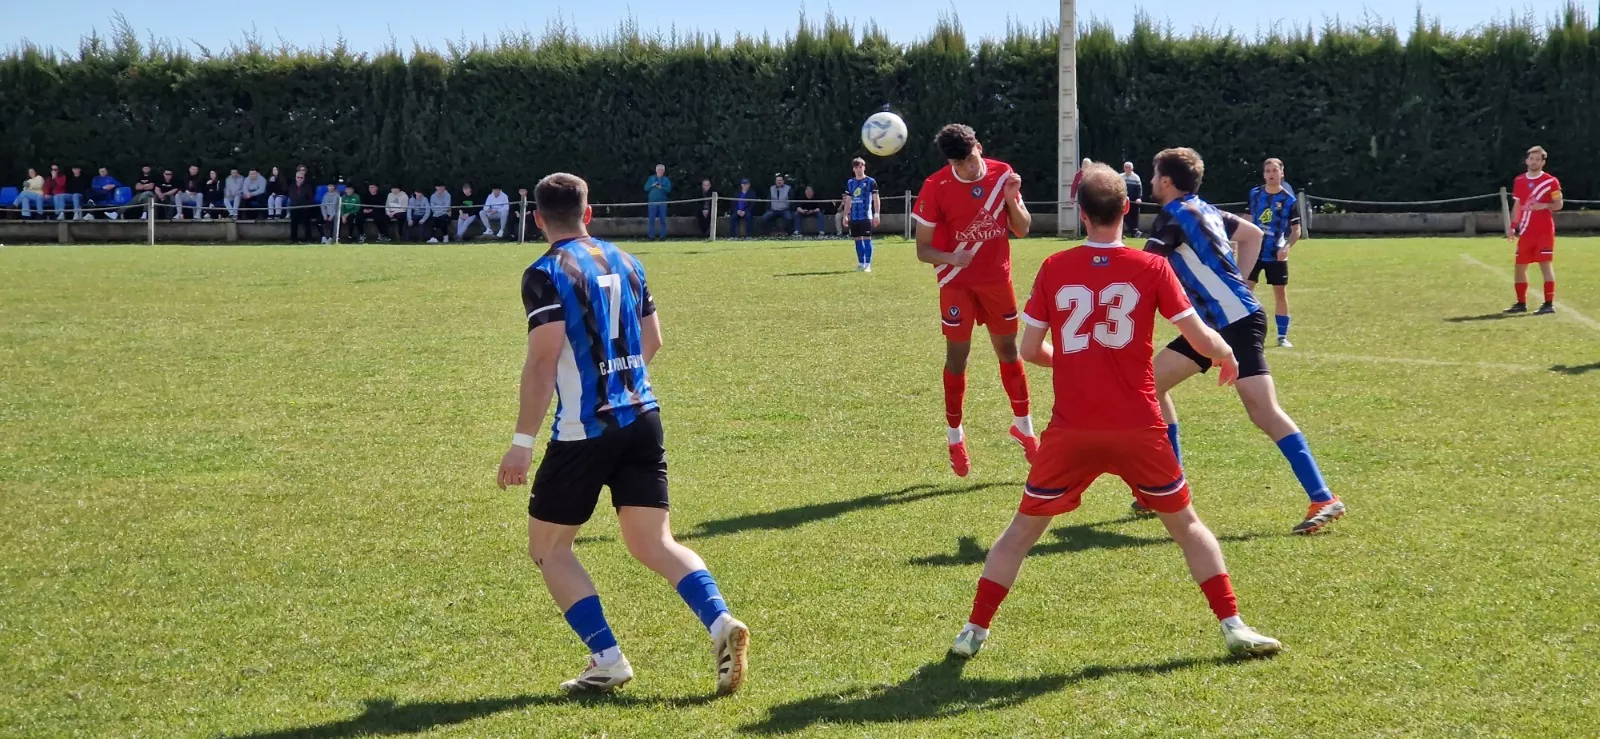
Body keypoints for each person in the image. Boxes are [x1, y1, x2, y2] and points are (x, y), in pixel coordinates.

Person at [948, 163, 1283, 661]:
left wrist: (1077, 362)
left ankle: (972, 632)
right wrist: (1225, 353)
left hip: (1072, 429)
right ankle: (1233, 625)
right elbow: (1200, 336)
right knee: (1188, 527)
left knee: (1019, 531)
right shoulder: (1151, 268)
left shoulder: (1055, 268)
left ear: (1081, 214)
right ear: (1128, 209)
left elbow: (1031, 348)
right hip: (1138, 426)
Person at [495, 172, 751, 695]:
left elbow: (543, 362)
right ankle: (721, 621)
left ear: (537, 219)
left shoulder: (545, 273)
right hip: (642, 417)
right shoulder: (628, 261)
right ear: (589, 214)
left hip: (584, 430)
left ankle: (607, 658)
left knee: (550, 548)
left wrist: (521, 443)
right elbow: (653, 338)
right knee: (654, 540)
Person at [1139, 147, 1343, 534]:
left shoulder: (1171, 217)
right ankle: (1170, 486)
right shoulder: (1206, 208)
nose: (1151, 182)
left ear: (1166, 181)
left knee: (1263, 411)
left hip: (1235, 321)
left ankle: (1323, 497)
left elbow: (1145, 271)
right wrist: (1240, 283)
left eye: (1154, 175)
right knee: (1152, 383)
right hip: (1216, 323)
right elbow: (1253, 235)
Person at [910, 124, 1038, 476]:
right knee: (957, 358)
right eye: (960, 163)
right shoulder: (936, 187)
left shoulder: (1002, 175)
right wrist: (952, 258)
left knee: (1009, 352)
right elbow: (923, 249)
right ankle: (955, 436)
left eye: (971, 159)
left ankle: (1024, 428)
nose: (968, 168)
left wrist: (1012, 199)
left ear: (979, 147)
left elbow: (1023, 228)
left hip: (997, 281)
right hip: (956, 284)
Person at [1246, 159, 1301, 346]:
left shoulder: (1289, 200)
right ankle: (1245, 332)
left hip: (1275, 253)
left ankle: (1282, 336)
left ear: (1281, 173)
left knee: (1280, 293)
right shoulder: (1255, 195)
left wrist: (1286, 247)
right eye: (1268, 171)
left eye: (1275, 170)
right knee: (1245, 290)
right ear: (1263, 174)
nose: (1271, 174)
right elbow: (1246, 219)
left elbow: (1296, 230)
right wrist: (1237, 240)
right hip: (1253, 252)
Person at [1505, 145, 1562, 315]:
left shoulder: (1551, 181)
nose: (1534, 161)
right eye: (1531, 159)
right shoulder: (1519, 180)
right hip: (1526, 232)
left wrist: (1543, 205)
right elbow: (1517, 205)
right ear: (1526, 160)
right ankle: (1521, 303)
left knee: (1545, 265)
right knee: (1520, 266)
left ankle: (1548, 304)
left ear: (1543, 162)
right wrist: (1512, 226)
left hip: (1544, 232)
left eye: (1538, 159)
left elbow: (1559, 204)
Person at [842, 158, 881, 271]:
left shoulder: (870, 181)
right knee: (857, 240)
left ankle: (868, 264)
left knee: (867, 239)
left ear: (864, 167)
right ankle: (861, 263)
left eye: (861, 167)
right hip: (854, 217)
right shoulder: (850, 182)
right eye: (857, 167)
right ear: (853, 169)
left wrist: (877, 214)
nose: (859, 169)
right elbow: (848, 200)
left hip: (866, 216)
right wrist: (845, 215)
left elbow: (876, 198)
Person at [286, 170, 318, 243]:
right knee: (293, 222)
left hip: (305, 208)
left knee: (307, 222)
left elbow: (310, 198)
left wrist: (305, 205)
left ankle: (308, 239)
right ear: (295, 178)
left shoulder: (308, 187)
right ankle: (293, 239)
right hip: (295, 208)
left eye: (301, 178)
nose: (299, 179)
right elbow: (291, 197)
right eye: (298, 177)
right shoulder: (292, 187)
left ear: (303, 178)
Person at [645, 164, 672, 241]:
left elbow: (669, 190)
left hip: (662, 202)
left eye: (661, 170)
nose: (660, 171)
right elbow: (646, 188)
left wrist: (661, 188)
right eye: (659, 170)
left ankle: (663, 237)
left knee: (663, 219)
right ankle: (651, 237)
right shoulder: (651, 178)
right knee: (651, 220)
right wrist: (652, 185)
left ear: (663, 171)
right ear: (656, 170)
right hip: (652, 202)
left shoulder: (666, 180)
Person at [1121, 161, 1144, 237]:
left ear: (1132, 168)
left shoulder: (1136, 177)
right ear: (1124, 168)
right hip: (1124, 201)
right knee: (1125, 217)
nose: (1127, 169)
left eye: (1129, 167)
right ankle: (1135, 232)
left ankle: (1134, 233)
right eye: (1126, 167)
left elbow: (1139, 189)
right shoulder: (1120, 177)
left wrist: (1139, 198)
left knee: (1135, 217)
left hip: (1134, 201)